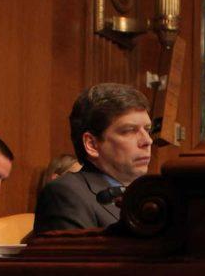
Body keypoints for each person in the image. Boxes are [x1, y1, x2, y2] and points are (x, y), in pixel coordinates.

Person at [33, 83, 153, 232]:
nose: (147, 140)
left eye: (147, 130)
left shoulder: (148, 196)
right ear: (92, 144)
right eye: (129, 130)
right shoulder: (66, 194)